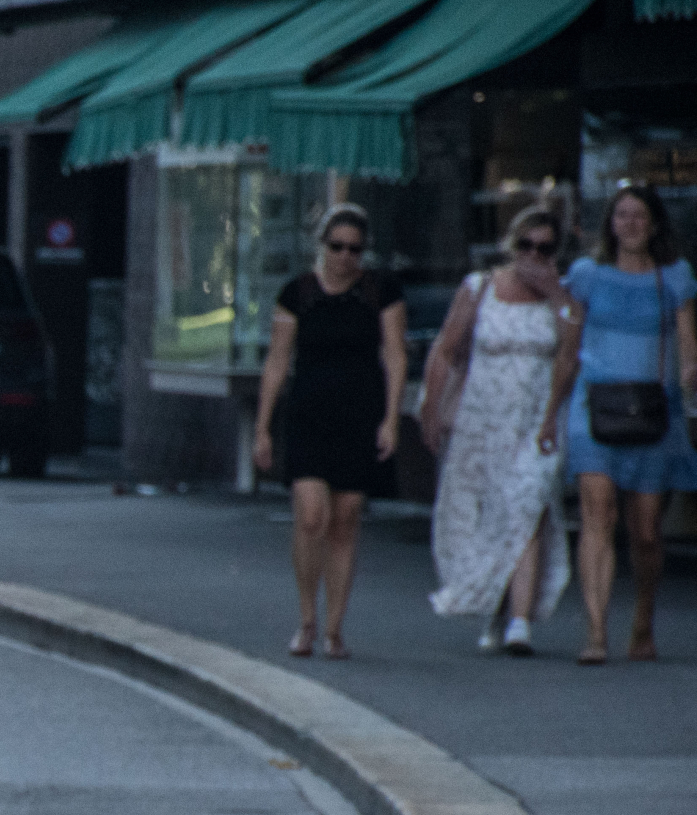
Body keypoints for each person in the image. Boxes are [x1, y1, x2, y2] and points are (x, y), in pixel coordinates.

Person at [418, 207, 581, 655]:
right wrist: (432, 406)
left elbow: (570, 355)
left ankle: (520, 622)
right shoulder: (480, 287)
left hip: (535, 419)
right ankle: (495, 609)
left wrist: (553, 294)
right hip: (482, 418)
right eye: (525, 245)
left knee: (526, 508)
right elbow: (448, 349)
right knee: (491, 516)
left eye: (544, 248)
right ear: (511, 245)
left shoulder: (563, 299)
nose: (533, 255)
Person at [252, 203, 408, 659]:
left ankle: (335, 627)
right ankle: (306, 619)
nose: (345, 257)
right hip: (308, 412)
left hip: (360, 411)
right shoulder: (297, 292)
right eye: (336, 247)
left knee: (346, 518)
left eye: (354, 249)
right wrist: (262, 427)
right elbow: (277, 361)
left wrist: (392, 418)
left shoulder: (381, 292)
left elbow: (395, 355)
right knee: (311, 515)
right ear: (322, 245)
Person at [558, 184, 697, 663]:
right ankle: (595, 631)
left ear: (655, 223)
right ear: (610, 224)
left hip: (654, 412)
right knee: (597, 512)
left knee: (646, 532)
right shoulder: (587, 275)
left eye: (639, 216)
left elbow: (688, 340)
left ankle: (643, 617)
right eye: (621, 215)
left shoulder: (674, 278)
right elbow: (568, 348)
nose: (631, 224)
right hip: (593, 405)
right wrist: (548, 411)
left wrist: (689, 373)